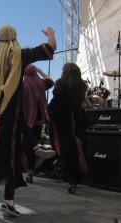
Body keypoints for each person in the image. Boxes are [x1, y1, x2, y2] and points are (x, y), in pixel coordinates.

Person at [0, 25, 57, 217]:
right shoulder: (21, 55)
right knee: (13, 154)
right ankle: (9, 199)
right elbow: (51, 48)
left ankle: (4, 194)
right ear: (14, 38)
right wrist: (51, 33)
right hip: (12, 112)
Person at [47, 63, 88, 194]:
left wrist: (48, 111)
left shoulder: (60, 83)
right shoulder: (82, 85)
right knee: (75, 148)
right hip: (76, 118)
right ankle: (74, 179)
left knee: (62, 149)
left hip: (62, 119)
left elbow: (56, 101)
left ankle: (69, 176)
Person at [22, 64, 56, 184]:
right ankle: (31, 171)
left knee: (25, 146)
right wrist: (41, 71)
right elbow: (51, 81)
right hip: (38, 118)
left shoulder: (22, 85)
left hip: (25, 120)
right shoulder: (41, 83)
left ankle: (24, 170)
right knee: (34, 144)